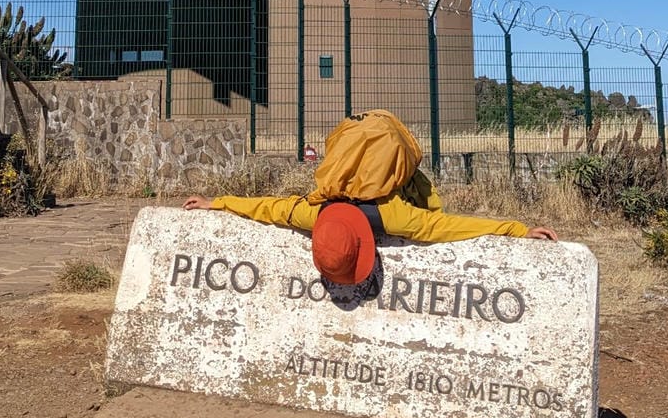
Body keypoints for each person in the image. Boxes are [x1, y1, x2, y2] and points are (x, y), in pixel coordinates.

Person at [183, 109, 556, 287]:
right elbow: (448, 226)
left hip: (381, 135)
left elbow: (271, 208)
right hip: (360, 134)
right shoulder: (318, 210)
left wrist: (517, 230)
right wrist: (216, 202)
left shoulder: (378, 216)